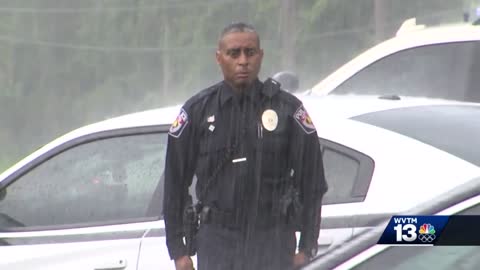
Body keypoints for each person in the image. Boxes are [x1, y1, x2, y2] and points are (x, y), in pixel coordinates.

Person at [163, 22, 327, 270]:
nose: (243, 61)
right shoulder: (197, 111)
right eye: (234, 53)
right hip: (218, 244)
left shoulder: (288, 110)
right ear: (219, 58)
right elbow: (175, 185)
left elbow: (312, 183)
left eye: (250, 53)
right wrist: (178, 251)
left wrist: (307, 247)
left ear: (260, 56)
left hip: (272, 242)